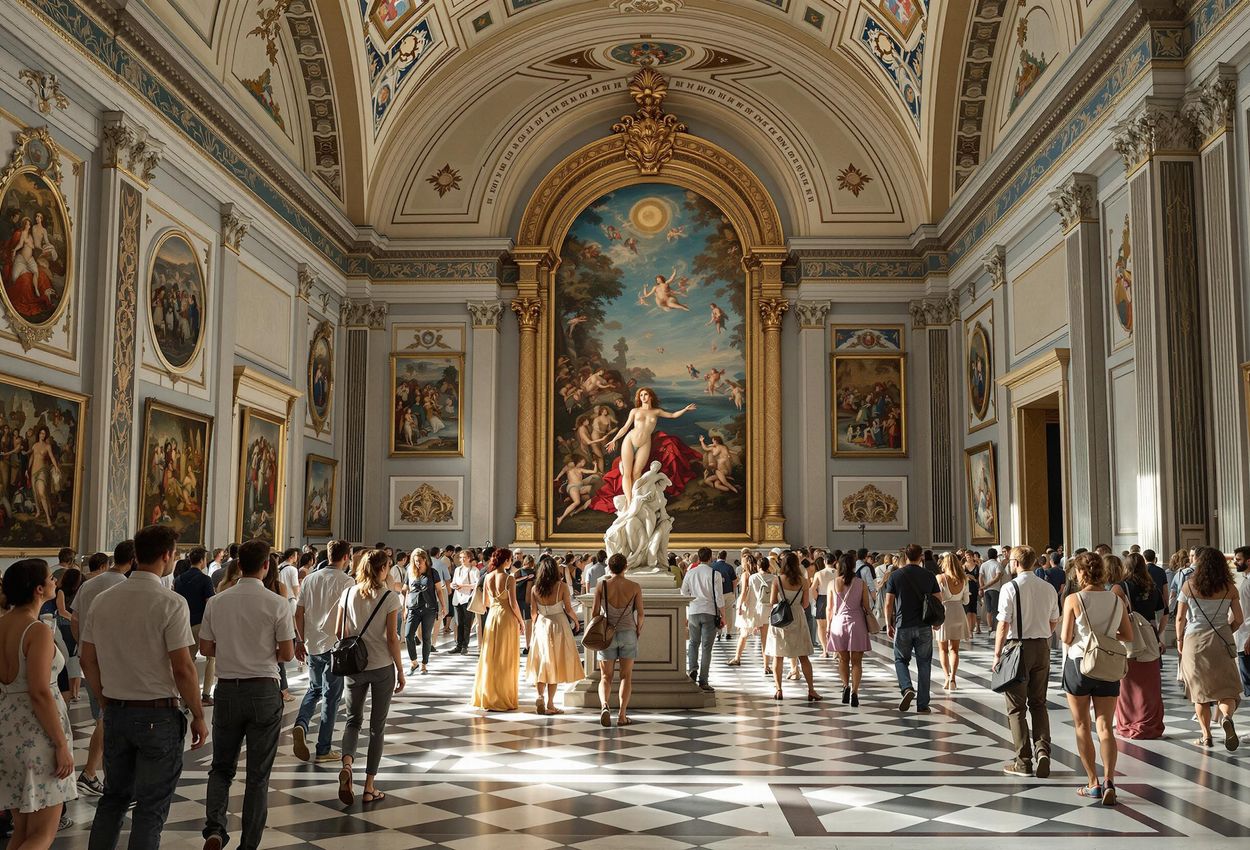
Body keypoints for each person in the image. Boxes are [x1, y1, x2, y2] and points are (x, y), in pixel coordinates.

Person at [80, 524, 207, 849]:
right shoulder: (170, 602)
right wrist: (197, 714)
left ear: (136, 554)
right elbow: (183, 668)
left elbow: (87, 659)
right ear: (167, 556)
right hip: (157, 715)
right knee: (150, 808)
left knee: (113, 799)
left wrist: (104, 700)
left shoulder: (103, 600)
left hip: (116, 712)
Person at [198, 540, 295, 850]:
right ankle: (248, 844)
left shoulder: (217, 602)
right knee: (257, 775)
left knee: (221, 768)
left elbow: (205, 648)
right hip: (263, 690)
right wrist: (261, 652)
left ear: (238, 565)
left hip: (228, 689)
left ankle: (215, 829)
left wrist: (232, 650)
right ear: (266, 566)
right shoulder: (277, 603)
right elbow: (288, 654)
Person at [0, 559, 77, 850]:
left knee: (21, 833)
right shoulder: (37, 631)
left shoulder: (2, 624)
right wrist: (60, 744)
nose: (55, 581)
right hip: (38, 734)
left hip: (8, 729)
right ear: (38, 589)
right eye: (50, 578)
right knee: (42, 834)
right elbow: (40, 692)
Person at [1060, 551, 1133, 805]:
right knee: (1105, 727)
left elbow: (1066, 637)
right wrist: (1105, 636)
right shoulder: (1116, 600)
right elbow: (1128, 635)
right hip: (1107, 665)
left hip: (1079, 663)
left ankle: (1093, 783)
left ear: (1081, 573)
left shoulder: (1073, 599)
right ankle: (1109, 780)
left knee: (1082, 725)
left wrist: (1086, 637)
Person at [334, 549, 404, 805]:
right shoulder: (389, 597)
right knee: (377, 727)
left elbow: (339, 631)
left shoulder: (348, 593)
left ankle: (347, 764)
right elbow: (392, 638)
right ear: (382, 569)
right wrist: (400, 669)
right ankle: (369, 787)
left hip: (354, 666)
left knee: (353, 721)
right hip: (381, 666)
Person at [69, 540, 134, 798]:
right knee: (109, 719)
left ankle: (95, 775)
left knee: (103, 718)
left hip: (88, 658)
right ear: (133, 560)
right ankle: (96, 775)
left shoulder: (89, 584)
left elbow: (75, 620)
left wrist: (82, 645)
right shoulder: (124, 587)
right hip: (111, 662)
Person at [994, 545, 1060, 778]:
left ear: (1015, 563)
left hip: (1017, 648)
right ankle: (1043, 751)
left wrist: (997, 654)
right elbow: (1054, 620)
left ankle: (1023, 761)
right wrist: (1042, 633)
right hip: (1042, 647)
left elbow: (1003, 624)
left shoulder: (1010, 587)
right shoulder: (1048, 587)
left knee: (1016, 707)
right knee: (1039, 703)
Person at [1176, 546, 1244, 751]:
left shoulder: (1188, 586)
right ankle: (1226, 717)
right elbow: (1239, 619)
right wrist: (1227, 630)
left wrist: (1179, 640)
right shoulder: (1230, 588)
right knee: (1226, 689)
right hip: (1221, 641)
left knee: (1200, 693)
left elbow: (1180, 618)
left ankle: (1206, 736)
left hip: (1194, 642)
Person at [292, 539, 353, 764]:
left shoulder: (310, 578)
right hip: (335, 646)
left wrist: (300, 640)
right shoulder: (347, 581)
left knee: (314, 689)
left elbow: (298, 613)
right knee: (331, 697)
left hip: (312, 644)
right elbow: (349, 616)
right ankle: (323, 749)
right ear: (346, 557)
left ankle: (301, 723)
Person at [884, 543, 941, 713]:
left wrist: (888, 623)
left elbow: (888, 603)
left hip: (903, 625)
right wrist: (937, 621)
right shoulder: (929, 575)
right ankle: (922, 704)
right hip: (924, 625)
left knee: (900, 660)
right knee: (924, 663)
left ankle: (907, 687)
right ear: (921, 556)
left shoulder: (895, 576)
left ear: (905, 556)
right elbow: (938, 600)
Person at [527, 556, 583, 715]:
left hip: (541, 624)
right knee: (555, 663)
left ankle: (540, 696)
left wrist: (536, 627)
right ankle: (550, 704)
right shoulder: (562, 586)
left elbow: (533, 612)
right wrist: (576, 622)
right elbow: (568, 609)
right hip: (558, 624)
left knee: (542, 662)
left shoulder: (535, 588)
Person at [594, 554, 644, 727]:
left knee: (605, 676)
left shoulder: (602, 585)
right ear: (626, 567)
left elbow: (595, 613)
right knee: (626, 676)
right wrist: (638, 630)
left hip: (607, 634)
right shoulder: (634, 586)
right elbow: (641, 614)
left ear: (609, 567)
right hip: (628, 632)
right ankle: (622, 715)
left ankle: (604, 705)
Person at [471, 549, 522, 711]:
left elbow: (485, 602)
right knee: (505, 657)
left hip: (492, 617)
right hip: (506, 618)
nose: (511, 562)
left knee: (491, 656)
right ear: (506, 560)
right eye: (510, 559)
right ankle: (502, 697)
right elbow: (513, 603)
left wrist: (496, 604)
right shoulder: (509, 578)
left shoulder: (487, 577)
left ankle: (488, 695)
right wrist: (521, 621)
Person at [765, 552, 820, 701]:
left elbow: (772, 601)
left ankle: (779, 689)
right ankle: (811, 690)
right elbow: (805, 604)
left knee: (778, 656)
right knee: (803, 656)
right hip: (797, 616)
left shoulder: (777, 580)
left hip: (781, 618)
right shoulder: (803, 581)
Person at [825, 552, 870, 706]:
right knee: (857, 662)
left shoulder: (832, 583)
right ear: (853, 566)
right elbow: (866, 606)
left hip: (838, 623)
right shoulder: (861, 583)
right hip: (857, 623)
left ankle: (845, 686)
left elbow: (829, 608)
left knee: (843, 659)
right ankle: (855, 692)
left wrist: (828, 626)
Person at [173, 547, 216, 706]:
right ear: (203, 560)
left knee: (188, 660)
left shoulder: (179, 579)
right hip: (201, 623)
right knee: (211, 658)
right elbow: (210, 603)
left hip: (184, 623)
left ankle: (185, 696)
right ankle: (205, 694)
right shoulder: (205, 579)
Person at [681, 547, 722, 693]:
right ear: (710, 557)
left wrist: (690, 605)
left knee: (693, 643)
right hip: (709, 611)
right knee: (706, 647)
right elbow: (719, 597)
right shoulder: (715, 574)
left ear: (698, 558)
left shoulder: (690, 572)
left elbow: (683, 592)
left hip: (693, 611)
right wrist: (723, 615)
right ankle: (703, 680)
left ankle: (692, 669)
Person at [404, 548, 447, 675]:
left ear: (425, 560)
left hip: (429, 608)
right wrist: (405, 608)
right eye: (415, 561)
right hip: (413, 607)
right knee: (408, 635)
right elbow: (407, 591)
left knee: (426, 637)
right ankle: (414, 662)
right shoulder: (410, 572)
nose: (417, 563)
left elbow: (439, 590)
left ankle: (424, 664)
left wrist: (443, 606)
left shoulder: (433, 572)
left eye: (419, 561)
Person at [935, 552, 971, 691]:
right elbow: (966, 601)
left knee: (943, 649)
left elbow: (937, 599)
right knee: (954, 649)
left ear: (944, 564)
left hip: (944, 612)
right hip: (959, 612)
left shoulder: (940, 578)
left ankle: (946, 677)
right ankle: (953, 679)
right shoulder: (964, 579)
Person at [451, 549, 477, 655]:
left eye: (464, 558)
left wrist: (463, 586)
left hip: (467, 598)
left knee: (467, 623)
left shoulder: (474, 570)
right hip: (457, 598)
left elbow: (476, 584)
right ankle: (458, 645)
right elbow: (453, 581)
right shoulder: (457, 570)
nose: (461, 560)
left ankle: (465, 645)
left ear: (469, 558)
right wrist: (453, 585)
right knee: (459, 623)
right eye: (460, 557)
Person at [812, 556, 838, 659]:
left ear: (824, 561)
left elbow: (813, 588)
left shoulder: (819, 573)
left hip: (822, 598)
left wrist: (816, 599)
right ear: (835, 562)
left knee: (821, 626)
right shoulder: (838, 572)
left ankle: (825, 650)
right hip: (836, 598)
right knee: (834, 626)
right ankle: (836, 650)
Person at [710, 550, 736, 640]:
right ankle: (728, 632)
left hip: (716, 593)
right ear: (725, 557)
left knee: (717, 613)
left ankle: (719, 632)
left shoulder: (712, 566)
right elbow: (734, 581)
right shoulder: (729, 567)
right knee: (728, 613)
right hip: (728, 592)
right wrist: (733, 591)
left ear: (718, 556)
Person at [1235, 546, 1250, 699]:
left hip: (1247, 637)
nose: (1235, 562)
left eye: (1238, 560)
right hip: (1242, 635)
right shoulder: (1245, 580)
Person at [980, 548, 1004, 633]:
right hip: (995, 589)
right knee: (995, 610)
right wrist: (986, 586)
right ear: (996, 555)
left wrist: (982, 587)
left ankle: (990, 627)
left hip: (986, 590)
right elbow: (997, 578)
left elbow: (980, 577)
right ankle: (995, 628)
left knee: (989, 610)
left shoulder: (983, 565)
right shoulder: (997, 564)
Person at [963, 551, 981, 639]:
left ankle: (971, 630)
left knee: (973, 609)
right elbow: (961, 577)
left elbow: (979, 579)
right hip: (966, 587)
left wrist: (973, 578)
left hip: (974, 587)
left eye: (969, 556)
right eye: (966, 557)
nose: (968, 558)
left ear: (972, 557)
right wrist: (967, 576)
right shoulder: (963, 566)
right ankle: (968, 630)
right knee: (967, 609)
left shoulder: (977, 566)